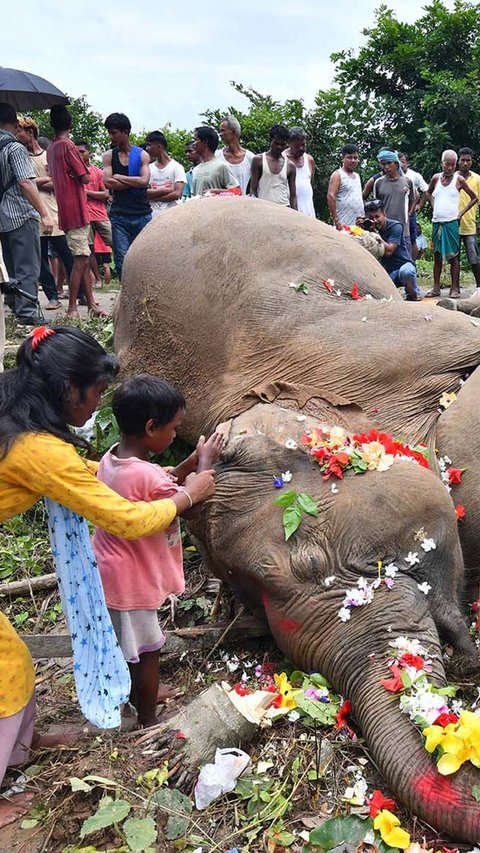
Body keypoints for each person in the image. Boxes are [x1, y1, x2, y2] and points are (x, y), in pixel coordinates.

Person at [0, 326, 216, 826]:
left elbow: (84, 474)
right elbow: (124, 517)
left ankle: (19, 748)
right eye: (94, 393)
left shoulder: (18, 408)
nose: (96, 404)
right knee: (7, 669)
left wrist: (172, 475)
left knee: (13, 662)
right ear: (67, 390)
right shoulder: (38, 449)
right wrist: (191, 493)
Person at [93, 374, 223, 727]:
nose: (175, 435)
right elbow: (190, 502)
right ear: (151, 427)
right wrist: (206, 465)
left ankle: (140, 694)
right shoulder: (145, 476)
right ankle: (147, 717)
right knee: (148, 652)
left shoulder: (115, 459)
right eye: (174, 428)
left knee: (131, 647)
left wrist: (192, 461)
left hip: (111, 570)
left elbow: (166, 485)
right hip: (130, 581)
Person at [0, 103, 54, 326]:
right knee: (27, 265)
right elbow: (26, 182)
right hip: (20, 214)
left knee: (9, 265)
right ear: (14, 123)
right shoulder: (15, 148)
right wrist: (45, 214)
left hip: (1, 217)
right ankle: (28, 313)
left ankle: (13, 304)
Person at [47, 107, 103, 318]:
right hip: (77, 208)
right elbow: (86, 177)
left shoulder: (51, 148)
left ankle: (91, 304)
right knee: (80, 259)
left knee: (85, 257)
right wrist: (79, 173)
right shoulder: (68, 146)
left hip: (64, 207)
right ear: (70, 125)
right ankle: (72, 308)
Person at [16, 116, 74, 310]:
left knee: (66, 253)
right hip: (33, 211)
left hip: (54, 210)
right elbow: (25, 182)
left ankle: (80, 292)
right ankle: (52, 296)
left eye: (20, 131)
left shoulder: (48, 154)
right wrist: (41, 181)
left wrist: (34, 182)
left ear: (30, 132)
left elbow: (56, 180)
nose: (17, 135)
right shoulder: (20, 156)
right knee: (40, 260)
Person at [419, 149, 477, 298]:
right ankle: (436, 288)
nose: (449, 168)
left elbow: (474, 198)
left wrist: (460, 213)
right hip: (437, 223)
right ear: (442, 163)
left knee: (453, 257)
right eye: (447, 164)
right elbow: (428, 193)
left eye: (452, 165)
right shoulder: (436, 178)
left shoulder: (459, 180)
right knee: (437, 255)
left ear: (454, 164)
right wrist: (434, 205)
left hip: (451, 223)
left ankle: (455, 288)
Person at [102, 113, 151, 280]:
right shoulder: (109, 156)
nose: (111, 136)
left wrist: (120, 178)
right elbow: (108, 182)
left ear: (126, 132)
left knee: (144, 258)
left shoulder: (142, 155)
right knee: (122, 259)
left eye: (114, 132)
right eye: (110, 132)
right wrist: (134, 182)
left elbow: (145, 181)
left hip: (142, 214)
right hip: (119, 216)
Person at [363, 199, 422, 301]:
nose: (375, 221)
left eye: (377, 217)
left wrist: (375, 232)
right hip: (385, 273)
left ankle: (413, 293)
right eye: (371, 218)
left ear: (384, 214)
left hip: (401, 268)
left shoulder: (396, 226)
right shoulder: (366, 228)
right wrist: (359, 229)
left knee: (407, 272)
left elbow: (389, 251)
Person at [373, 149, 415, 255]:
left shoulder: (407, 181)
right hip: (385, 229)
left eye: (389, 163)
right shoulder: (378, 183)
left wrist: (408, 214)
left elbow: (413, 200)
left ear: (396, 164)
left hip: (403, 229)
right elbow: (376, 206)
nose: (386, 167)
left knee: (406, 261)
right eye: (383, 164)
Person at [250, 125, 297, 209]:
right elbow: (253, 190)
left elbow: (293, 196)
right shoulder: (258, 160)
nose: (279, 147)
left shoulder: (290, 166)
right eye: (276, 143)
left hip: (284, 208)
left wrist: (296, 216)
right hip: (264, 208)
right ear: (270, 141)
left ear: (286, 144)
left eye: (282, 144)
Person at [144, 131, 186, 216]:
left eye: (149, 145)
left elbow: (177, 193)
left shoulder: (177, 167)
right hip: (152, 215)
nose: (147, 149)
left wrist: (155, 196)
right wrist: (165, 190)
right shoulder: (149, 168)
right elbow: (144, 192)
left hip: (172, 215)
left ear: (158, 146)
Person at [191, 126, 240, 196]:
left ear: (205, 142)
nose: (193, 144)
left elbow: (237, 191)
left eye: (196, 140)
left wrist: (217, 192)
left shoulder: (221, 166)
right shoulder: (195, 169)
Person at [457, 147, 480, 288]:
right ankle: (455, 287)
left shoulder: (477, 179)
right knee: (454, 258)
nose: (465, 163)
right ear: (458, 162)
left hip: (470, 224)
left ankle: (479, 287)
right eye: (463, 160)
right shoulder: (452, 178)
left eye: (468, 160)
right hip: (453, 224)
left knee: (474, 257)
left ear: (472, 162)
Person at [399, 153, 429, 260]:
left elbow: (426, 191)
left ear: (407, 163)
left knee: (412, 239)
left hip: (410, 212)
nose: (400, 164)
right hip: (396, 212)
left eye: (402, 161)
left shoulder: (414, 176)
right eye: (398, 161)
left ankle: (412, 263)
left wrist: (419, 205)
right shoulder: (394, 176)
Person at [216, 115, 255, 195]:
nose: (220, 134)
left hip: (243, 204)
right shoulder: (217, 156)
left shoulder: (250, 158)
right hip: (222, 204)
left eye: (223, 131)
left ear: (233, 132)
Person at [327, 143, 364, 228]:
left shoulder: (357, 176)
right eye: (349, 157)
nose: (353, 160)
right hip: (343, 223)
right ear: (343, 158)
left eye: (355, 158)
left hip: (358, 224)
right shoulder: (337, 175)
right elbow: (330, 196)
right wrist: (336, 221)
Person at [285, 127, 315, 217]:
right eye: (297, 146)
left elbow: (310, 183)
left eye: (303, 144)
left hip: (309, 211)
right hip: (289, 212)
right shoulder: (282, 159)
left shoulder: (309, 160)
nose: (301, 148)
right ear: (289, 143)